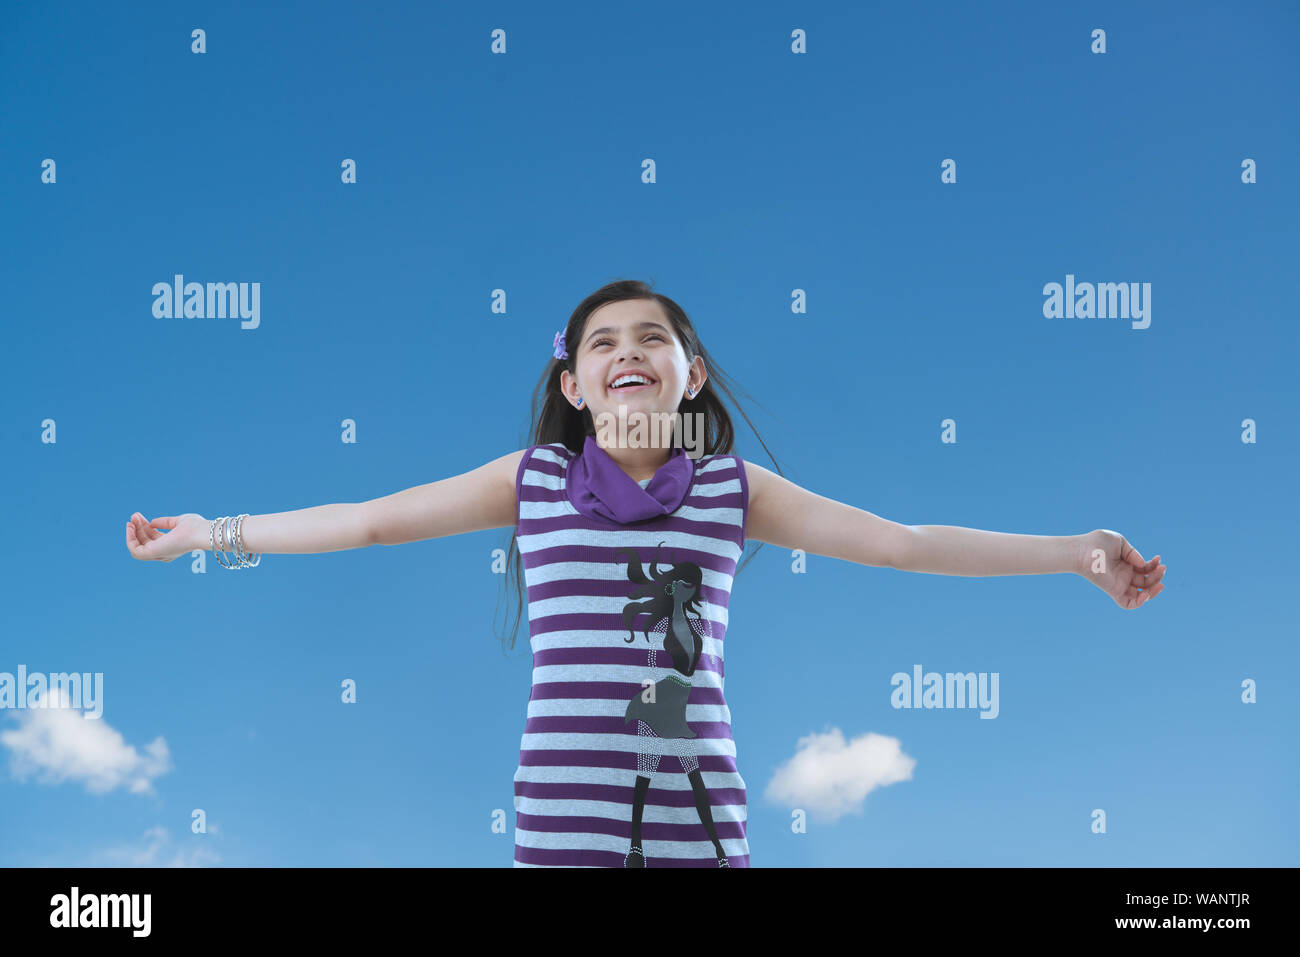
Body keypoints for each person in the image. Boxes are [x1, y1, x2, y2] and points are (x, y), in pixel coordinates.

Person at [125, 278, 1167, 868]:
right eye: (603, 344)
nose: (629, 352)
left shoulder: (734, 490)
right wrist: (216, 532)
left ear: (690, 372)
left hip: (700, 822)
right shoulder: (530, 479)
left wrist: (1074, 553)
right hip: (556, 827)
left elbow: (903, 540)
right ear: (573, 383)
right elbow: (365, 523)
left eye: (653, 338)